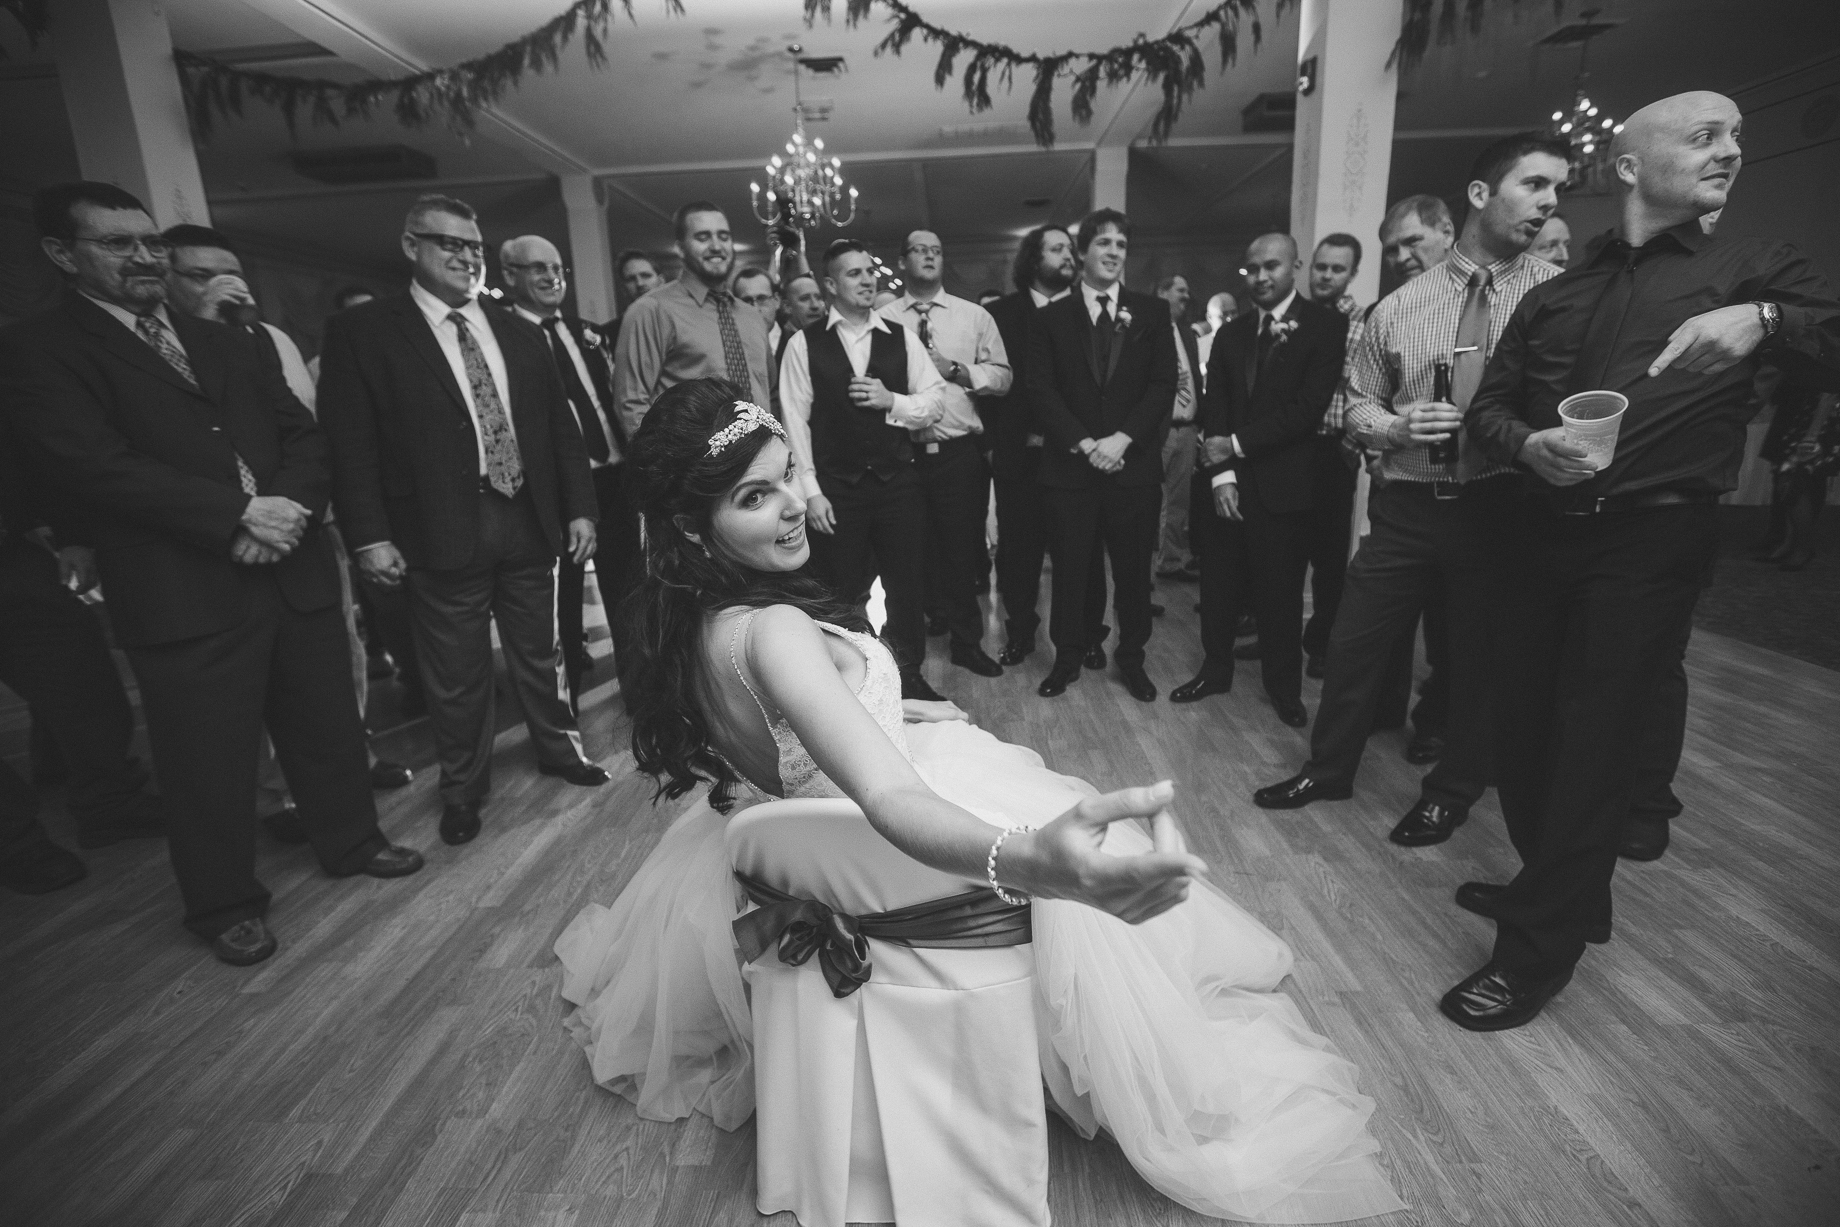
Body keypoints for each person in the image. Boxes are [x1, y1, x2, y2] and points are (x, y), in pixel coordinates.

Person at [553, 378, 1404, 1223]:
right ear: (691, 525)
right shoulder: (775, 631)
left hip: (800, 838)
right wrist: (1027, 859)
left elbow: (788, 738)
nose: (790, 506)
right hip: (889, 862)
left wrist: (886, 707)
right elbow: (886, 791)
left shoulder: (698, 622)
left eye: (786, 476)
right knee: (1104, 907)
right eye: (753, 496)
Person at [1453, 91, 1840, 1031]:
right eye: (1705, 136)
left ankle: (1535, 951)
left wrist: (1766, 320)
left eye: (1736, 137)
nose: (1731, 151)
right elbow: (1488, 409)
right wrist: (1526, 444)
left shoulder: (1754, 268)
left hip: (1653, 538)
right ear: (1629, 166)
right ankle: (1562, 890)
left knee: (1594, 742)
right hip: (1538, 529)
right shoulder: (1554, 292)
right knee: (1522, 732)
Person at [1, 181, 422, 964]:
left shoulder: (231, 339)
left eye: (149, 242)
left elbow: (306, 436)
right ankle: (224, 902)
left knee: (326, 722)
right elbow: (90, 465)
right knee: (205, 759)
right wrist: (238, 515)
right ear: (62, 253)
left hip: (290, 564)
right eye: (117, 243)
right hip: (181, 586)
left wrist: (288, 509)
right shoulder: (39, 348)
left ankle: (353, 840)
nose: (143, 256)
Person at [1253, 134, 1572, 849]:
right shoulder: (1397, 308)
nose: (1548, 202)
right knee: (1353, 642)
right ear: (1481, 195)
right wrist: (1396, 426)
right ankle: (1328, 770)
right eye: (1534, 185)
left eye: (1557, 189)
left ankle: (1451, 793)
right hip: (1405, 507)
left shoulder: (1553, 296)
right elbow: (1358, 404)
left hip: (1499, 507)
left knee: (1477, 660)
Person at [317, 193, 609, 851]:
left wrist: (580, 508)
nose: (465, 257)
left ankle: (561, 750)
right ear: (411, 246)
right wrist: (369, 536)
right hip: (437, 526)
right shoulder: (366, 333)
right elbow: (350, 444)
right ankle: (462, 787)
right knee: (456, 672)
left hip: (526, 516)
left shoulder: (520, 331)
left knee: (542, 653)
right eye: (448, 243)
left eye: (474, 247)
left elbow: (559, 431)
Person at [1173, 234, 1346, 727]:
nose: (1261, 276)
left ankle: (1283, 688)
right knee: (1218, 584)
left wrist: (1235, 445)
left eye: (1272, 266)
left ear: (1295, 266)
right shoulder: (1231, 333)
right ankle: (1215, 669)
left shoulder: (1326, 326)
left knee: (1280, 593)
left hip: (1286, 482)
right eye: (1252, 269)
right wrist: (1222, 474)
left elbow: (1308, 409)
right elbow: (1217, 405)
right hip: (1227, 481)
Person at [0, 414, 167, 894]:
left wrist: (69, 532)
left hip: (10, 553)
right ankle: (16, 842)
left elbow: (29, 446)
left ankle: (111, 801)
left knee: (80, 671)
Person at [779, 238, 949, 701]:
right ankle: (854, 683)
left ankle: (909, 674)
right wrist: (811, 491)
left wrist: (892, 401)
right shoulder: (803, 344)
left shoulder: (901, 338)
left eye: (869, 270)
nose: (867, 279)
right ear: (831, 285)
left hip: (898, 483)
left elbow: (936, 400)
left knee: (906, 585)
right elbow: (794, 421)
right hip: (837, 489)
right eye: (854, 273)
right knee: (840, 590)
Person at [1028, 208, 1177, 703]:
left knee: (1134, 575)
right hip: (1071, 469)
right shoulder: (1051, 317)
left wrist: (1122, 440)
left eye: (1121, 245)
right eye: (1104, 243)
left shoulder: (1152, 313)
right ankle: (1067, 658)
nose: (1114, 252)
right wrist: (1085, 442)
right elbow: (1041, 388)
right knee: (1071, 571)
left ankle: (1131, 659)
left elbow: (1162, 385)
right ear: (1082, 252)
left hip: (1132, 468)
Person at [500, 234, 639, 705]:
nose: (551, 277)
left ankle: (641, 693)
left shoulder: (587, 332)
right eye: (537, 268)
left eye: (557, 268)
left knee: (630, 589)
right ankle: (564, 708)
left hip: (614, 476)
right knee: (562, 603)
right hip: (554, 489)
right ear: (510, 275)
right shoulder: (503, 338)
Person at [879, 230, 1012, 677]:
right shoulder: (881, 318)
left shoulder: (973, 316)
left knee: (961, 551)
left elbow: (1003, 377)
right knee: (905, 553)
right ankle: (906, 653)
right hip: (901, 452)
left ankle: (966, 643)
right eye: (920, 249)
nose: (930, 256)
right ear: (902, 261)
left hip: (957, 452)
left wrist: (955, 370)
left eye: (936, 250)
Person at [984, 225, 1107, 668]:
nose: (1069, 256)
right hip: (1019, 454)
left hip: (1076, 456)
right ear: (1034, 259)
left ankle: (1089, 636)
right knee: (1018, 553)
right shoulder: (1000, 314)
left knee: (1084, 555)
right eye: (1057, 249)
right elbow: (989, 385)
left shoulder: (1088, 310)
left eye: (1071, 249)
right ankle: (1020, 633)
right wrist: (994, 444)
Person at [614, 203, 772, 440]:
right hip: (692, 459)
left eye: (723, 236)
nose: (716, 246)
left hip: (759, 455)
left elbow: (771, 392)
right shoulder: (651, 310)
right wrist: (661, 461)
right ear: (680, 248)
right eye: (703, 237)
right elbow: (631, 403)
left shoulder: (752, 316)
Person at [1301, 233, 1366, 676]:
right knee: (1285, 553)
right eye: (1320, 267)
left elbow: (1367, 388)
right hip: (1291, 449)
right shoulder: (1297, 318)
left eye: (1337, 269)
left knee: (1328, 559)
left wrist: (1349, 447)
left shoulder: (1360, 323)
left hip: (1332, 450)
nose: (1326, 276)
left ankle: (1321, 645)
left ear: (1352, 273)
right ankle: (1276, 638)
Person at [1153, 274, 1205, 582]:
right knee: (1148, 504)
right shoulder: (1147, 332)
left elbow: (1195, 379)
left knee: (1178, 503)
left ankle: (1169, 563)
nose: (1186, 296)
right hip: (1159, 431)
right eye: (1180, 290)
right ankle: (1136, 577)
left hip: (1187, 429)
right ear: (1162, 292)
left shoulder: (1186, 333)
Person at [776, 271, 826, 369]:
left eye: (819, 298)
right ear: (787, 307)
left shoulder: (832, 338)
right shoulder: (779, 345)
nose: (815, 305)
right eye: (805, 299)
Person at [1194, 291, 1238, 372]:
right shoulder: (1197, 348)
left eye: (1234, 313)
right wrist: (1205, 367)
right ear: (1209, 317)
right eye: (1224, 314)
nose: (1230, 318)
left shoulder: (1250, 342)